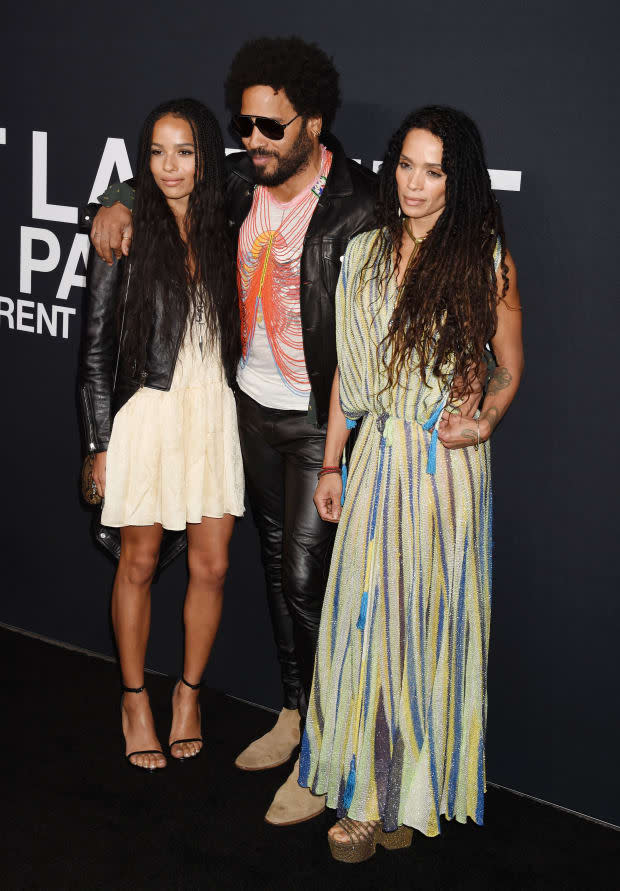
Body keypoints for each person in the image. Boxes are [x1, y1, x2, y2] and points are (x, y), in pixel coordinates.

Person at [85, 37, 378, 822]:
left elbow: (418, 263)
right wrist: (108, 200)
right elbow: (164, 178)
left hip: (318, 419)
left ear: (312, 122)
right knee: (274, 566)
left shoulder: (360, 200)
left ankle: (324, 751)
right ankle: (290, 715)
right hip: (243, 406)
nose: (251, 139)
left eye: (270, 126)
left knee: (306, 583)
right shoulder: (242, 183)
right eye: (243, 124)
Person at [299, 106, 524, 862]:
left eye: (435, 170)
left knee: (422, 630)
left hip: (443, 472)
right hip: (374, 461)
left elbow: (510, 366)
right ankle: (366, 796)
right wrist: (331, 462)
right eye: (406, 165)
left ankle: (404, 792)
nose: (416, 184)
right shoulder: (362, 252)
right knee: (367, 628)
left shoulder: (483, 257)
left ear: (457, 180)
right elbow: (347, 378)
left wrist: (487, 417)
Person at [80, 98, 243, 771]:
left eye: (184, 151)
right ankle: (134, 699)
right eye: (155, 152)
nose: (169, 166)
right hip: (146, 414)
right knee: (139, 563)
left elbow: (274, 163)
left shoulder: (227, 219)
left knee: (212, 564)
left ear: (205, 157)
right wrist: (97, 444)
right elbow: (93, 351)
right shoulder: (124, 232)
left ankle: (188, 695)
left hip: (212, 412)